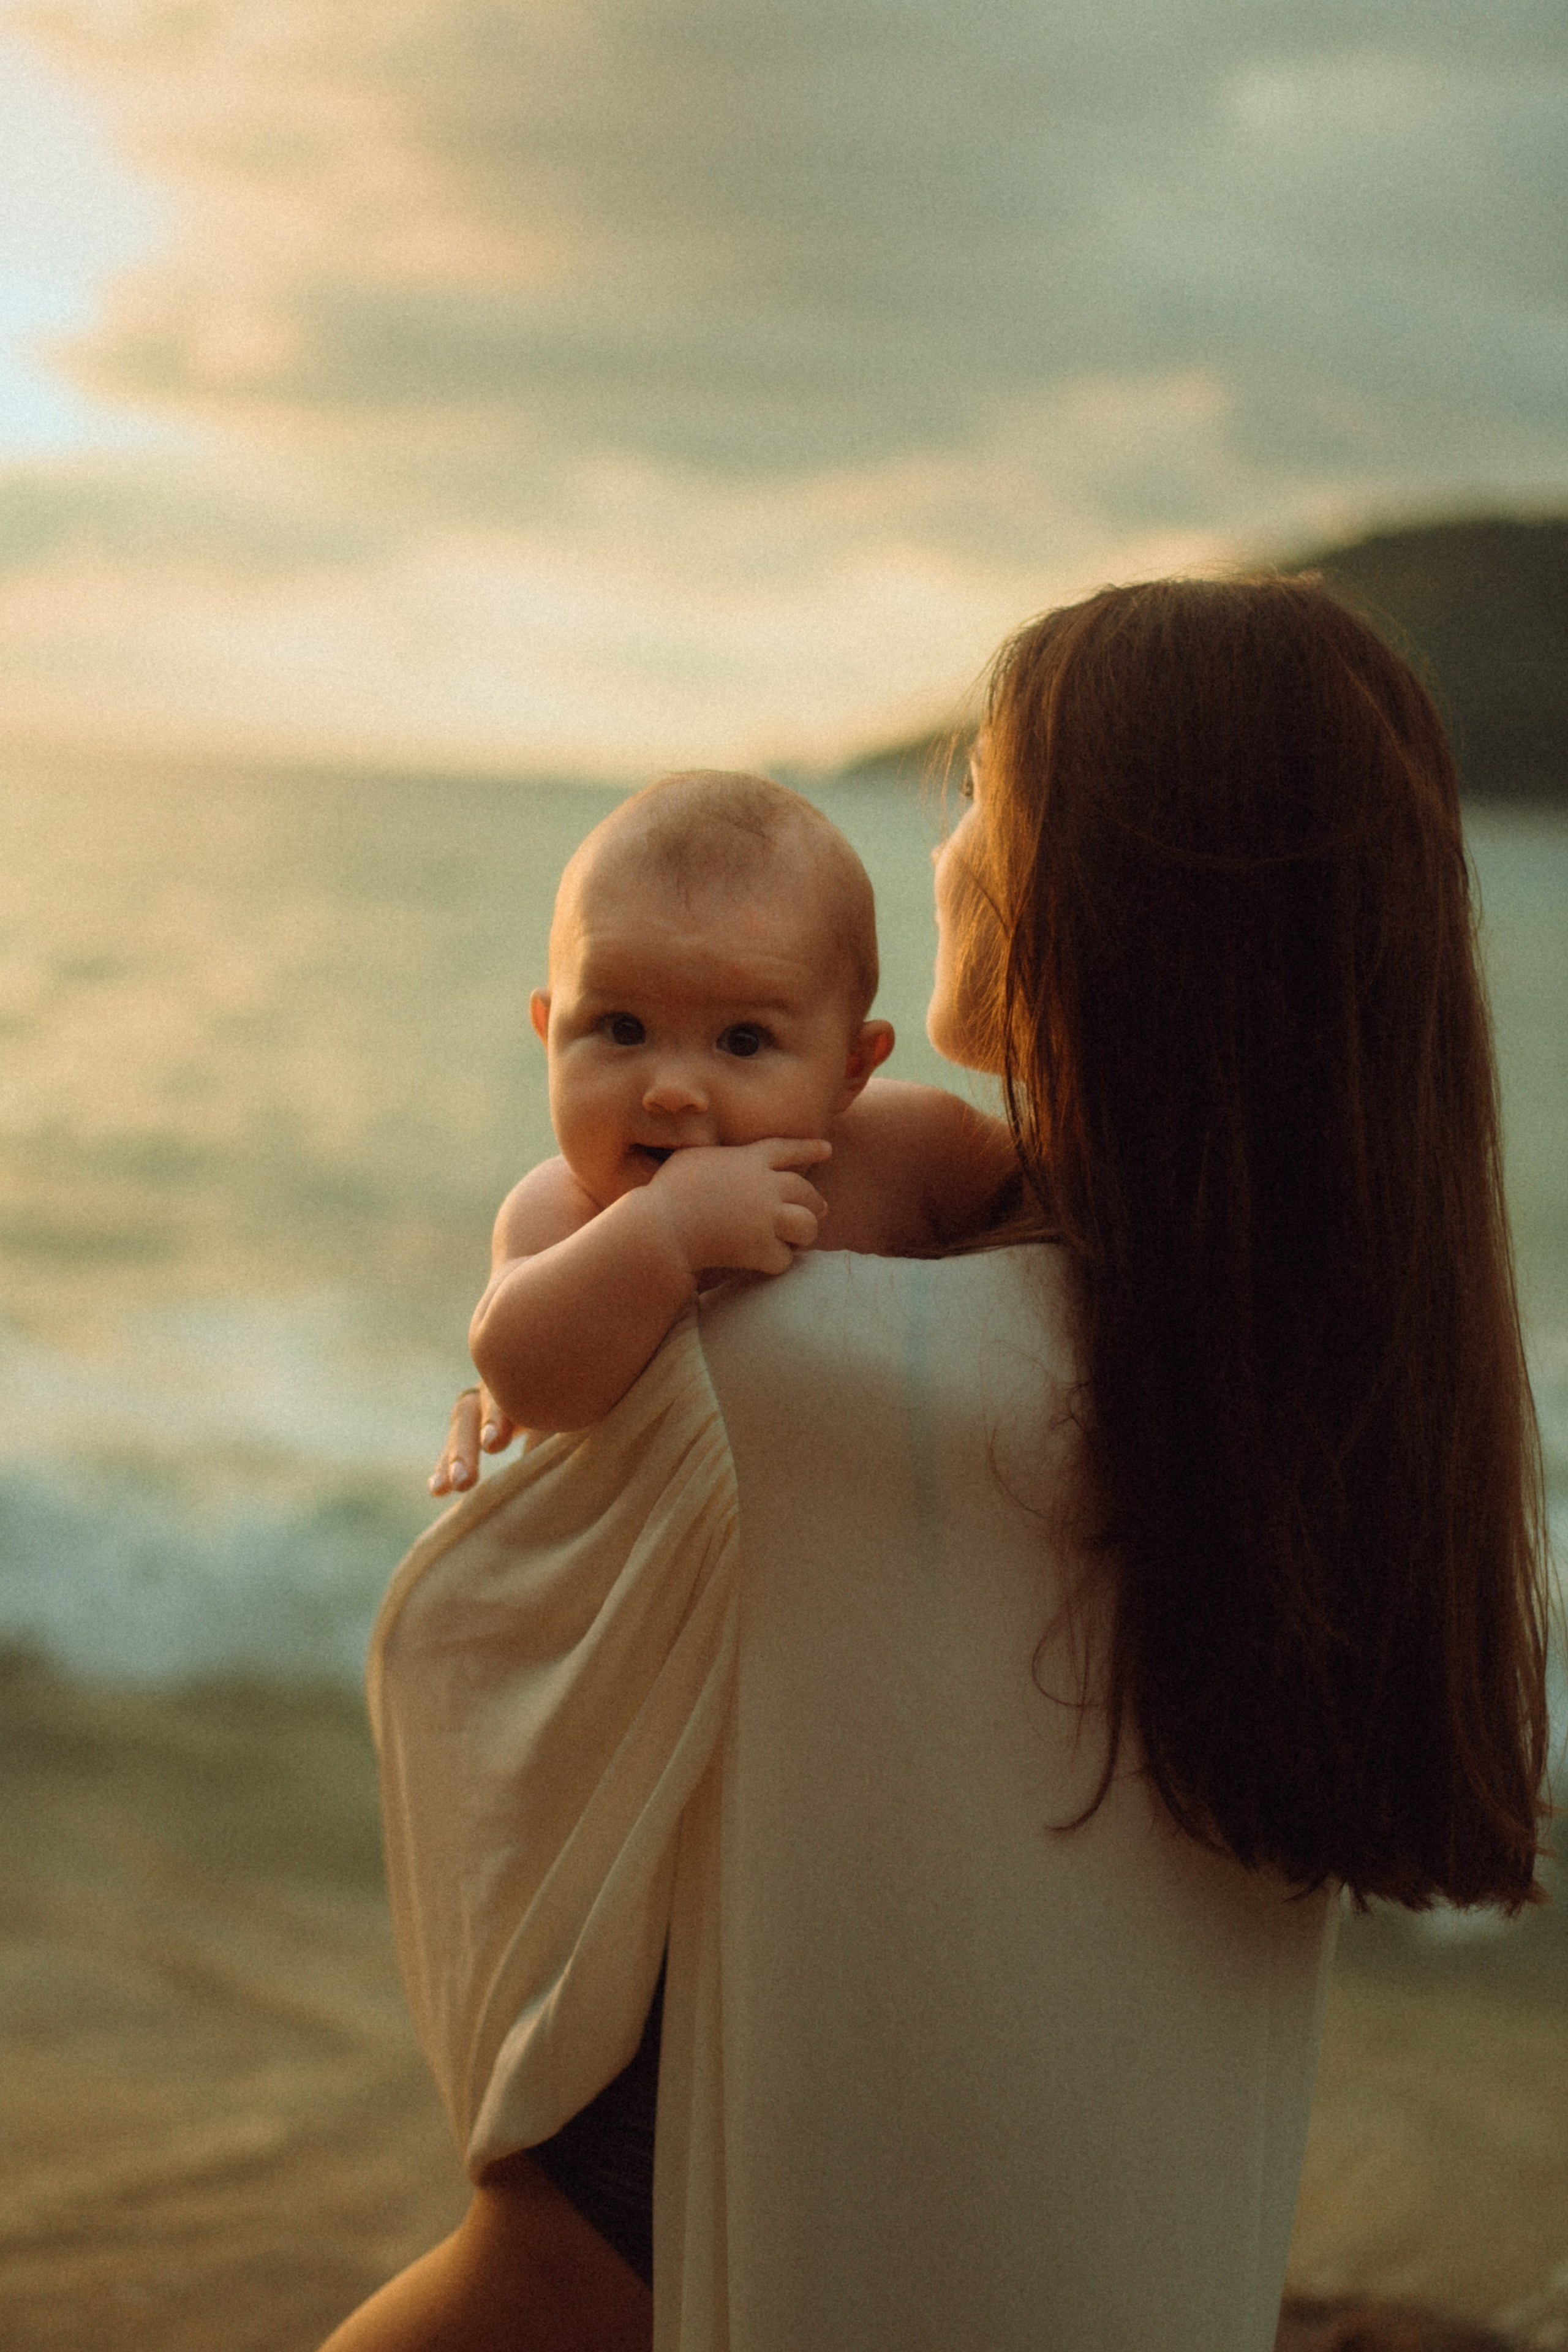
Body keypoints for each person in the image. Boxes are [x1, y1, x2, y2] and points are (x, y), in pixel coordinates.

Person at [323, 575, 1551, 2352]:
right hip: (1049, 2124)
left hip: (751, 2063)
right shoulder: (1298, 1367)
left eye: (984, 783)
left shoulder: (832, 1358)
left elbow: (559, 1512)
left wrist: (596, 1379)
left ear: (1099, 882)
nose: (951, 837)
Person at [432, 767, 1017, 1472]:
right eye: (621, 1028)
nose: (671, 1091)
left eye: (743, 1041)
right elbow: (524, 1379)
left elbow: (1082, 1215)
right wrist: (664, 1233)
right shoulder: (566, 1212)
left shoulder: (912, 1148)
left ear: (851, 1068)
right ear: (549, 1029)